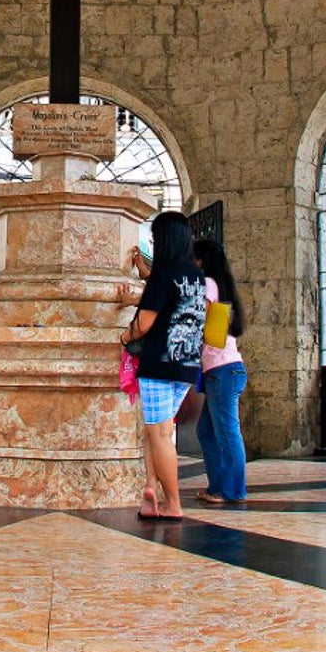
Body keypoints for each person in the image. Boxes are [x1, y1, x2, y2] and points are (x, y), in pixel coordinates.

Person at [122, 211, 205, 520]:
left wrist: (125, 336)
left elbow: (144, 323)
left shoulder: (163, 274)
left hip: (159, 364)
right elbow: (172, 297)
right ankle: (150, 492)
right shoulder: (195, 276)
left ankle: (172, 503)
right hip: (186, 365)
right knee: (158, 430)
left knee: (158, 433)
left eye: (155, 238)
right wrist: (145, 271)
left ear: (164, 241)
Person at [193, 238, 248, 507]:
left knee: (227, 433)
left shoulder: (208, 284)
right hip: (227, 369)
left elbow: (196, 317)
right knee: (206, 431)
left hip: (222, 370)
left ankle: (232, 490)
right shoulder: (222, 286)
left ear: (201, 260)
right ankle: (218, 485)